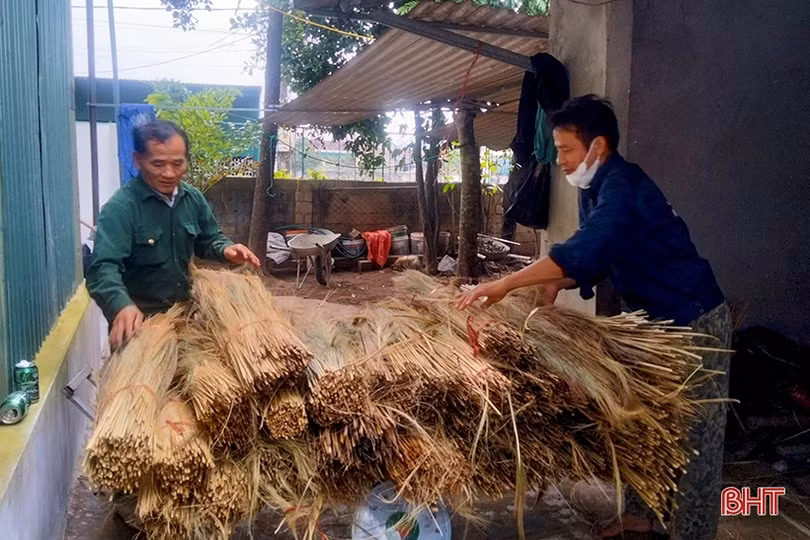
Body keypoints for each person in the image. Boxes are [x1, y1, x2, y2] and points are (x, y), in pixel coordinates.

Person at [457, 95, 731, 540]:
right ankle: (643, 514)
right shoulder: (596, 188)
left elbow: (586, 249)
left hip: (692, 320)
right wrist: (556, 283)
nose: (560, 160)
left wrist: (507, 283)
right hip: (652, 322)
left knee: (694, 438)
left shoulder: (623, 187)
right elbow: (596, 258)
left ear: (597, 147)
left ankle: (693, 531)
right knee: (647, 422)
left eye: (565, 149)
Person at [87, 120, 260, 349]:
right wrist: (120, 305)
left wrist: (226, 249)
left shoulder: (193, 199)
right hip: (140, 329)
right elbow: (102, 268)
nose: (169, 173)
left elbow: (208, 239)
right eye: (157, 164)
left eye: (177, 164)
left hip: (185, 322)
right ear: (137, 160)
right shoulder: (121, 208)